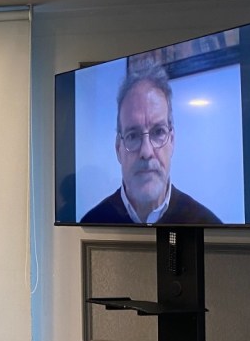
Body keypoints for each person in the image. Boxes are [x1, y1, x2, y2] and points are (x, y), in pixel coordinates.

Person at [81, 63, 221, 225]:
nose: (146, 152)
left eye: (158, 132)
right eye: (133, 135)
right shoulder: (91, 223)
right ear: (118, 148)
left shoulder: (208, 224)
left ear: (172, 141)